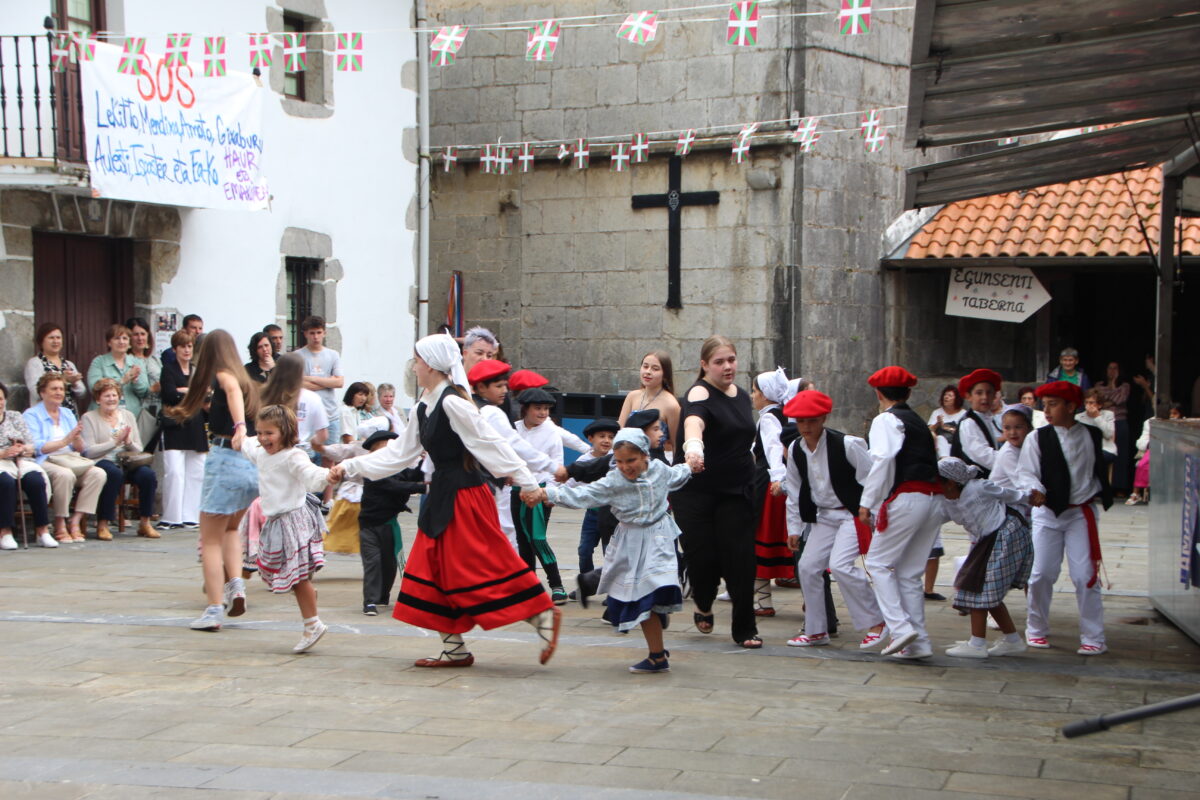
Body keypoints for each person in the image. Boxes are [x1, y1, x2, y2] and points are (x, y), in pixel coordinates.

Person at [330, 333, 562, 668]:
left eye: (418, 361)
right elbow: (398, 455)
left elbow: (489, 445)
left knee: (477, 566)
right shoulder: (425, 404)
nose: (414, 366)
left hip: (465, 497)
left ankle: (540, 614)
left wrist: (527, 483)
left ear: (433, 365)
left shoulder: (452, 402)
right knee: (430, 571)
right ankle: (455, 649)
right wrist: (350, 466)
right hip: (444, 495)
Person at [532, 428, 698, 673]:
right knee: (643, 598)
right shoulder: (614, 480)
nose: (625, 467)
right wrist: (547, 493)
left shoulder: (660, 470)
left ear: (645, 456)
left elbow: (677, 474)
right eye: (619, 461)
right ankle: (657, 652)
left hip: (660, 538)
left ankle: (657, 642)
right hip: (630, 541)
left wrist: (690, 465)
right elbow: (584, 494)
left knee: (654, 588)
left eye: (630, 460)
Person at [672, 335, 761, 649]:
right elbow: (694, 422)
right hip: (696, 491)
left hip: (737, 489)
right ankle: (704, 600)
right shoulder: (698, 392)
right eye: (720, 362)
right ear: (704, 365)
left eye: (731, 360)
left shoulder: (741, 396)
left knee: (741, 558)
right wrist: (693, 448)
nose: (727, 367)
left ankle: (745, 628)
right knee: (703, 559)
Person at [168, 329, 260, 632]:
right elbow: (234, 393)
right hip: (248, 466)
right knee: (231, 529)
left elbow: (231, 391)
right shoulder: (248, 379)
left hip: (225, 460)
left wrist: (239, 427)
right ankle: (237, 586)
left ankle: (212, 610)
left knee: (209, 540)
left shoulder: (224, 375)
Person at [781, 389, 885, 648]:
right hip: (822, 517)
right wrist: (794, 527)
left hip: (851, 514)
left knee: (840, 565)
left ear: (824, 418)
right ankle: (817, 629)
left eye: (812, 420)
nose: (806, 426)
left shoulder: (847, 444)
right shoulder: (796, 449)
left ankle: (877, 622)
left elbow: (872, 478)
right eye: (801, 421)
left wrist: (869, 509)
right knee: (807, 567)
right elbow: (793, 490)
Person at [1018, 381, 1113, 655]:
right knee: (1040, 574)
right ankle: (1036, 629)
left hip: (1080, 513)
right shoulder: (1037, 437)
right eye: (1044, 404)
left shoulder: (1091, 435)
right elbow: (1026, 472)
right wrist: (1035, 490)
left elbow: (1097, 468)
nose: (1046, 410)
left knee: (1085, 575)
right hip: (1047, 513)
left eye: (1053, 404)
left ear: (1072, 407)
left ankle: (1094, 636)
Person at [859, 366, 943, 659]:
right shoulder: (917, 421)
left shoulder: (886, 420)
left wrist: (867, 502)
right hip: (932, 500)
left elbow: (882, 460)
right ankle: (919, 644)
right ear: (908, 392)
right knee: (908, 574)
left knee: (879, 564)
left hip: (907, 498)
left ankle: (899, 626)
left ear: (878, 393)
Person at [240, 404, 331, 652]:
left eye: (269, 433)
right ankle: (310, 608)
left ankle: (312, 623)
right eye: (260, 432)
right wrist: (239, 429)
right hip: (277, 521)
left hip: (294, 519)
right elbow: (246, 444)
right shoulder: (260, 452)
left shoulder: (293, 456)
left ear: (286, 431)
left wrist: (328, 476)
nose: (263, 438)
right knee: (291, 575)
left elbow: (310, 474)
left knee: (297, 576)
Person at [934, 457, 1034, 658]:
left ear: (951, 483)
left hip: (1005, 533)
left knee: (976, 586)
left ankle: (977, 643)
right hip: (988, 540)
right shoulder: (947, 501)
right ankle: (1012, 640)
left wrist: (1030, 496)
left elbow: (1008, 494)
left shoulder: (978, 487)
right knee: (988, 592)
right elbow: (934, 517)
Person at [467, 359, 554, 551]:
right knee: (505, 532)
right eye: (498, 386)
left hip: (475, 481)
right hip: (489, 482)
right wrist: (552, 468)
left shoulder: (468, 406)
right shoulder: (491, 411)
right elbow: (512, 444)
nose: (504, 390)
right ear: (480, 387)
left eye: (505, 386)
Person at [23, 374, 106, 542]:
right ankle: (59, 522)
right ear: (42, 392)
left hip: (70, 458)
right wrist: (65, 440)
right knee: (64, 475)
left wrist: (76, 438)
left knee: (98, 474)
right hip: (47, 460)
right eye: (54, 389)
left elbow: (80, 448)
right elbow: (37, 448)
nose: (59, 392)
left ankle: (75, 520)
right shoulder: (31, 414)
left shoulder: (67, 413)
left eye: (61, 389)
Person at [356, 430, 425, 616]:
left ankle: (382, 597)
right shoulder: (371, 468)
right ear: (374, 450)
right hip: (369, 526)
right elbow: (394, 487)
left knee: (390, 563)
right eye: (386, 446)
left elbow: (414, 475)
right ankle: (369, 602)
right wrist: (424, 487)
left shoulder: (398, 468)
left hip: (389, 524)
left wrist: (427, 459)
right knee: (373, 562)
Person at [80, 378, 159, 540]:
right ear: (98, 399)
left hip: (128, 461)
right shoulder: (89, 418)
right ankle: (103, 523)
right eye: (106, 396)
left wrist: (128, 441)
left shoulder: (127, 415)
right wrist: (114, 442)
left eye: (114, 395)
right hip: (102, 460)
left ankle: (145, 522)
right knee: (113, 474)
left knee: (147, 475)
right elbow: (88, 451)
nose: (111, 399)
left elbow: (139, 448)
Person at [511, 387, 568, 604]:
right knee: (522, 540)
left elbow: (557, 461)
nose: (543, 413)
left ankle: (556, 583)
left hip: (540, 491)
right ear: (525, 409)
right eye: (538, 408)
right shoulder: (513, 429)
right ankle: (528, 585)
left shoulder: (551, 432)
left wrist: (551, 494)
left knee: (537, 538)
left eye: (546, 409)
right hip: (517, 491)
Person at [747, 368, 796, 617]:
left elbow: (775, 448)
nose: (752, 395)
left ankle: (762, 601)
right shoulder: (784, 414)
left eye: (755, 391)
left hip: (767, 484)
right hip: (775, 482)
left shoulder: (768, 418)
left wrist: (778, 479)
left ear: (765, 394)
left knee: (759, 537)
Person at [158, 330, 208, 530]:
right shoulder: (168, 369)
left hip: (194, 424)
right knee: (175, 472)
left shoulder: (196, 370)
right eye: (183, 346)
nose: (187, 350)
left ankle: (190, 515)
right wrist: (191, 393)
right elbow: (169, 394)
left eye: (189, 346)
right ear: (175, 349)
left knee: (196, 472)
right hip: (174, 425)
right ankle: (172, 516)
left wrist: (185, 392)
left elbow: (205, 394)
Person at [0, 381, 54, 549]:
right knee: (6, 483)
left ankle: (43, 530)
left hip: (20, 460)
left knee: (35, 480)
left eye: (1, 399)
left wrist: (21, 448)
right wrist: (3, 453)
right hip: (1, 462)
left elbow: (31, 444)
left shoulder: (14, 416)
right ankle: (5, 531)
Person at [573, 417, 619, 574]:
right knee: (584, 550)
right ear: (591, 438)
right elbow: (569, 483)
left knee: (610, 552)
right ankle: (586, 582)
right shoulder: (584, 460)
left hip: (612, 516)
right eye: (602, 436)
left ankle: (613, 589)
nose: (607, 440)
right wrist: (553, 495)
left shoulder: (617, 459)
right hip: (592, 514)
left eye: (611, 437)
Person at [617, 350, 681, 458]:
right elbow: (620, 430)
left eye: (655, 369)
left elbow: (676, 445)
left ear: (665, 374)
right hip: (629, 459)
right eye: (645, 366)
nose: (648, 372)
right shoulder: (632, 396)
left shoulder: (671, 405)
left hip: (656, 461)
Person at [298, 316, 345, 449]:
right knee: (307, 458)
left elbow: (339, 382)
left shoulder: (333, 355)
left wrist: (310, 378)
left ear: (324, 333)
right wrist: (328, 381)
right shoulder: (298, 356)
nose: (315, 337)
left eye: (319, 332)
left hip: (330, 414)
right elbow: (298, 384)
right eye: (312, 333)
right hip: (307, 416)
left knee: (330, 455)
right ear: (306, 334)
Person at [87, 324, 150, 419]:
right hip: (103, 416)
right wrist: (122, 381)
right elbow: (94, 388)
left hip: (131, 416)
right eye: (117, 338)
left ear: (129, 343)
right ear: (109, 342)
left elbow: (144, 392)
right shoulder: (99, 361)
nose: (121, 342)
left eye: (125, 338)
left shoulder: (137, 362)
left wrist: (135, 381)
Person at [25, 323, 87, 415]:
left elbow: (82, 393)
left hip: (69, 415)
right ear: (41, 341)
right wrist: (64, 379)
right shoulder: (35, 363)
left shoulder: (68, 364)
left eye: (58, 338)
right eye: (51, 338)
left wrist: (74, 383)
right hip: (45, 415)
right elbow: (36, 392)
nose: (55, 341)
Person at [1095, 362, 1132, 495]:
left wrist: (1113, 385)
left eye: (1115, 368)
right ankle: (1101, 486)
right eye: (1110, 368)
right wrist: (1109, 400)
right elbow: (1099, 401)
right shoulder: (1099, 385)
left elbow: (1120, 398)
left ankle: (1119, 487)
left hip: (1120, 421)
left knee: (1121, 454)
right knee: (1101, 452)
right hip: (1102, 421)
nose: (1112, 371)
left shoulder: (1125, 386)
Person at [125, 316, 162, 440]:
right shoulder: (126, 360)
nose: (140, 338)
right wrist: (152, 389)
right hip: (137, 412)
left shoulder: (155, 360)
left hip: (157, 410)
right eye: (135, 334)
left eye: (143, 334)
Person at [1076, 389, 1118, 467]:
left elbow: (1108, 435)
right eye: (1086, 402)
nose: (1088, 405)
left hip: (1105, 449)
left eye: (1091, 403)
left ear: (1099, 405)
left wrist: (1097, 417)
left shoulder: (1108, 415)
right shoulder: (1078, 417)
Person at [927, 384, 965, 458]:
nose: (946, 397)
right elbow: (928, 430)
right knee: (940, 439)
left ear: (957, 399)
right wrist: (937, 424)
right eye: (945, 395)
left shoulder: (963, 414)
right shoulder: (937, 412)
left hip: (956, 443)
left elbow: (964, 434)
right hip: (940, 444)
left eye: (950, 395)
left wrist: (947, 428)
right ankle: (945, 460)